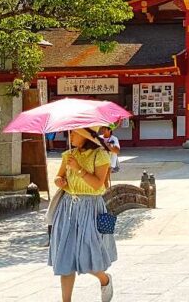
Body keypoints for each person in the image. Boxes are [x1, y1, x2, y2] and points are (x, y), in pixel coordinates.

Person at [50, 127, 116, 302]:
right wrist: (60, 181)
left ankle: (105, 279)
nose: (70, 136)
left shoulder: (101, 155)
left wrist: (78, 169)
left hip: (91, 208)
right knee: (65, 255)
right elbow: (59, 178)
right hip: (68, 207)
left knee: (87, 254)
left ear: (86, 137)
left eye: (74, 133)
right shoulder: (68, 155)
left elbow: (97, 185)